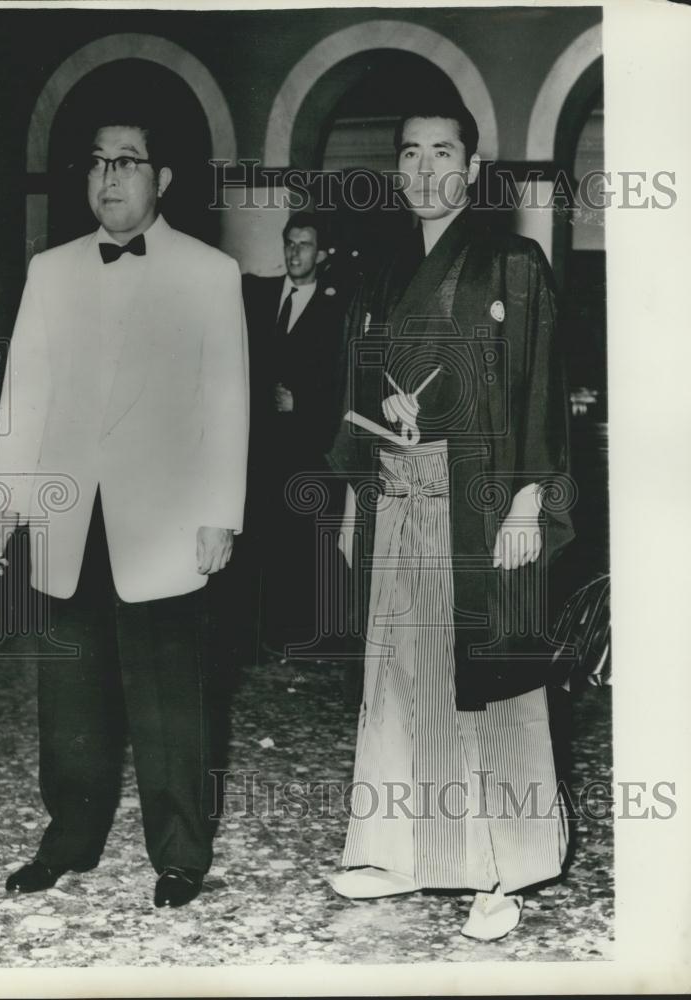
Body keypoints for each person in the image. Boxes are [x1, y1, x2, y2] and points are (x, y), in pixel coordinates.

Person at [0, 112, 249, 909]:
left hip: (165, 520)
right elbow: (27, 395)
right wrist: (8, 506)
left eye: (129, 161)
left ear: (163, 180)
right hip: (67, 519)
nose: (110, 176)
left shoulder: (209, 272)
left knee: (171, 698)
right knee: (72, 697)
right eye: (98, 162)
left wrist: (219, 514)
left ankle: (180, 853)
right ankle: (69, 840)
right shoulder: (52, 270)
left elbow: (227, 403)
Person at [326, 99, 575, 941]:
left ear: (471, 168)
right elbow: (354, 395)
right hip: (396, 499)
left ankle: (503, 872)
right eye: (411, 154)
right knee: (399, 683)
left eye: (444, 154)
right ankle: (403, 855)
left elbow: (539, 387)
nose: (427, 170)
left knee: (487, 688)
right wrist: (355, 498)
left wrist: (530, 500)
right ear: (396, 170)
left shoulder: (514, 262)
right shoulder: (378, 270)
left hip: (476, 504)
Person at [243, 212, 346, 659]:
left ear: (321, 254)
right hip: (260, 447)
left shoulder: (339, 305)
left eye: (304, 245)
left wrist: (302, 404)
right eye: (289, 243)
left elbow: (345, 380)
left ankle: (307, 638)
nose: (294, 252)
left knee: (307, 546)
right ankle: (262, 635)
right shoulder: (258, 296)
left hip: (310, 450)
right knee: (262, 540)